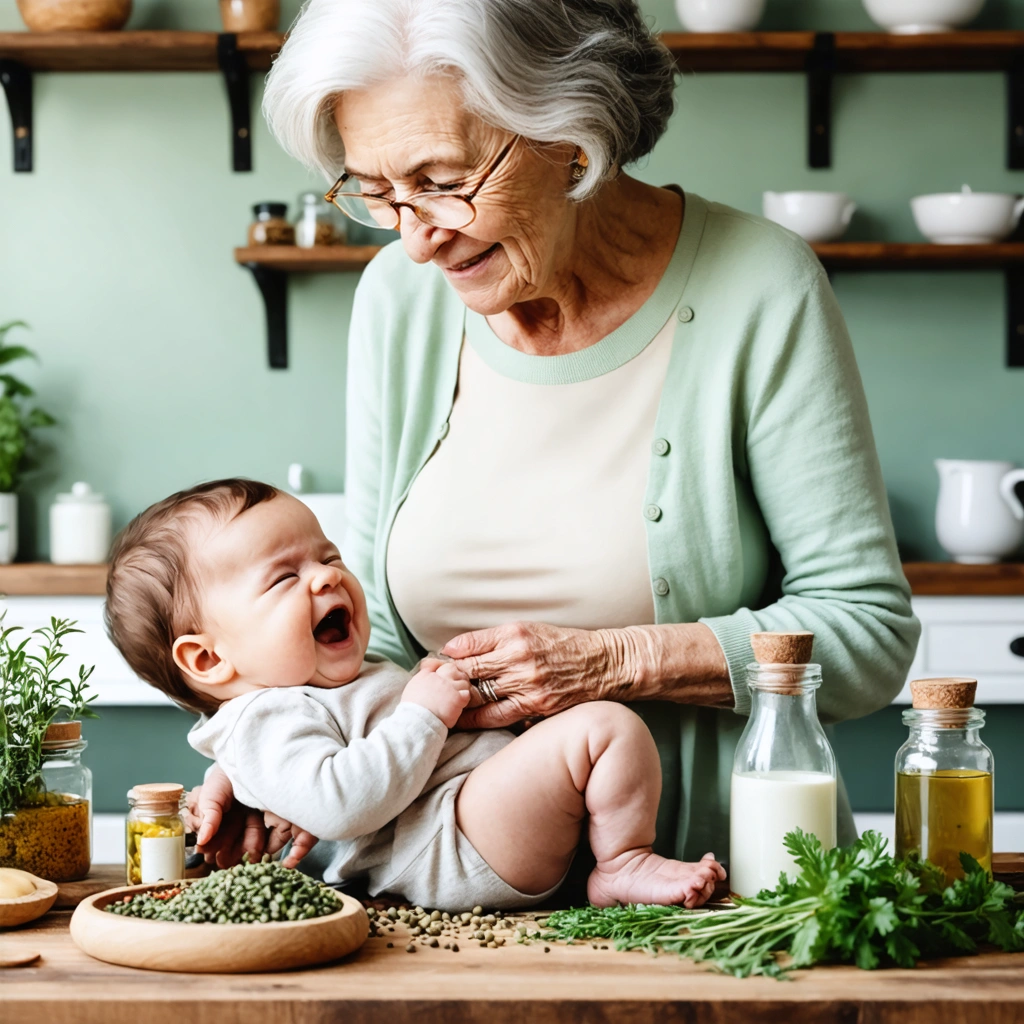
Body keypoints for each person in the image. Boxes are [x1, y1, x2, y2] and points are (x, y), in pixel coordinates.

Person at [190, 0, 920, 868]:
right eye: (379, 194)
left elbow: (867, 634)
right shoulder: (398, 299)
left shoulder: (759, 285)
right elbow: (378, 640)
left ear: (571, 133)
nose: (418, 241)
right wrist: (284, 750)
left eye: (442, 181)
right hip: (459, 896)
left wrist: (619, 660)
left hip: (719, 883)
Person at [105, 479, 726, 910]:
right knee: (603, 729)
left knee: (602, 730)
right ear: (209, 659)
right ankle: (622, 863)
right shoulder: (263, 717)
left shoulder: (323, 683)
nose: (326, 577)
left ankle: (617, 861)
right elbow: (339, 807)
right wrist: (423, 713)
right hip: (444, 841)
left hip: (465, 816)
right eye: (285, 577)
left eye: (328, 556)